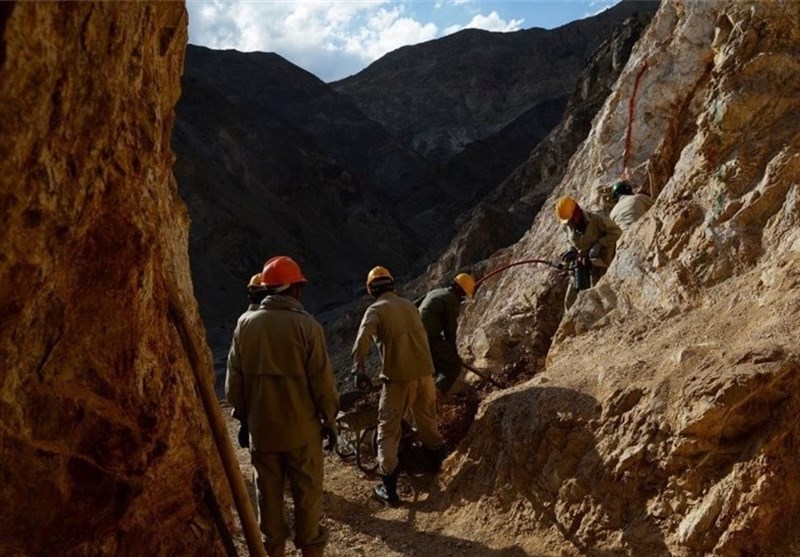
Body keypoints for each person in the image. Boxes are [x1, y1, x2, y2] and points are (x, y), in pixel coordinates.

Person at [226, 256, 339, 557]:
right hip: (302, 434)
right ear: (294, 291)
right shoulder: (308, 327)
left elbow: (233, 385)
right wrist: (329, 421)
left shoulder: (244, 325)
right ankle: (310, 549)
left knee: (268, 498)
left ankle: (272, 549)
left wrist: (244, 420)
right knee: (307, 499)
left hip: (262, 433)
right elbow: (323, 385)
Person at [352, 266, 445, 507]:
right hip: (424, 375)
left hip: (398, 380)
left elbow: (362, 341)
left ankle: (389, 489)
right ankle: (437, 465)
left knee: (388, 429)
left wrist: (358, 370)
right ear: (392, 285)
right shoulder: (408, 305)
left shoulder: (375, 310)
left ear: (371, 289)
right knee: (426, 419)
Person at [556, 196, 622, 311]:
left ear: (577, 212)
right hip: (581, 266)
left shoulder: (596, 220)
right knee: (570, 301)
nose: (570, 223)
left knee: (599, 296)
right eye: (568, 221)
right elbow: (569, 241)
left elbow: (616, 232)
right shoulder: (568, 226)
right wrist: (571, 250)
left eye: (571, 220)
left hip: (599, 264)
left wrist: (599, 244)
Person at [417, 273, 475, 394]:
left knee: (436, 366)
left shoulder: (437, 291)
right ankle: (436, 395)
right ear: (460, 290)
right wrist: (454, 354)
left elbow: (413, 305)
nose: (463, 298)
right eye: (464, 294)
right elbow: (450, 331)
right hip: (430, 337)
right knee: (453, 367)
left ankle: (426, 391)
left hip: (415, 334)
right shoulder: (451, 300)